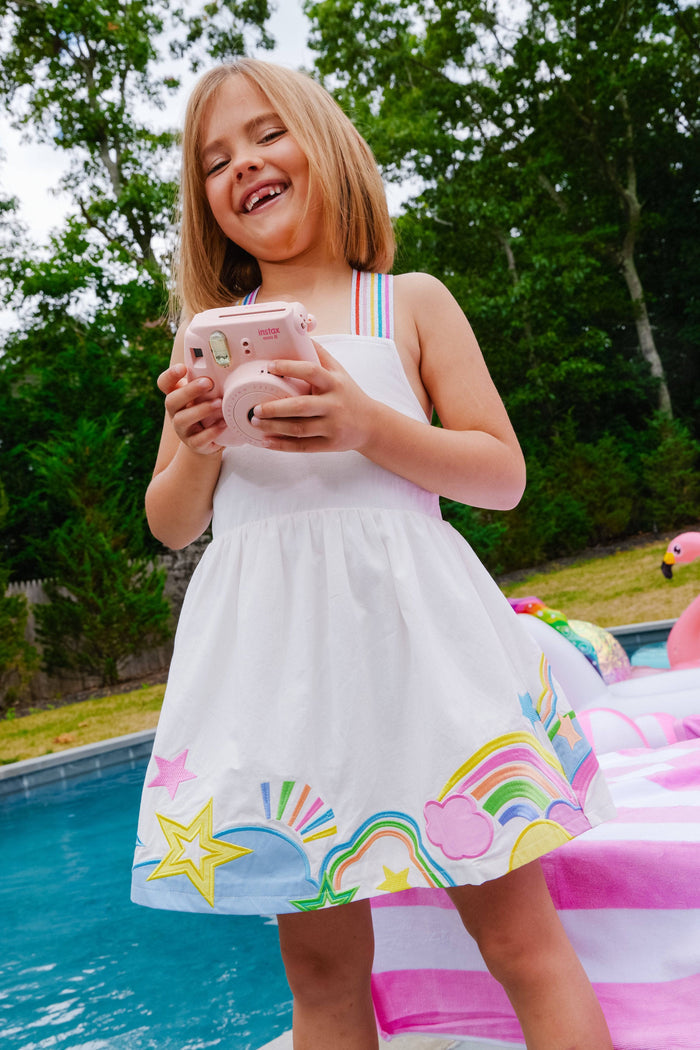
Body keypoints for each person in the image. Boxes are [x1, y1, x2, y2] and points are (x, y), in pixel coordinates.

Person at [131, 58, 615, 1050]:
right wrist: (191, 441)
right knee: (318, 968)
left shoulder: (410, 305)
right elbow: (172, 524)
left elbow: (498, 475)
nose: (244, 166)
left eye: (267, 134)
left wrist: (367, 424)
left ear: (325, 147)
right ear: (205, 205)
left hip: (423, 659)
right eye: (214, 160)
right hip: (280, 683)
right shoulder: (204, 340)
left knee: (519, 937)